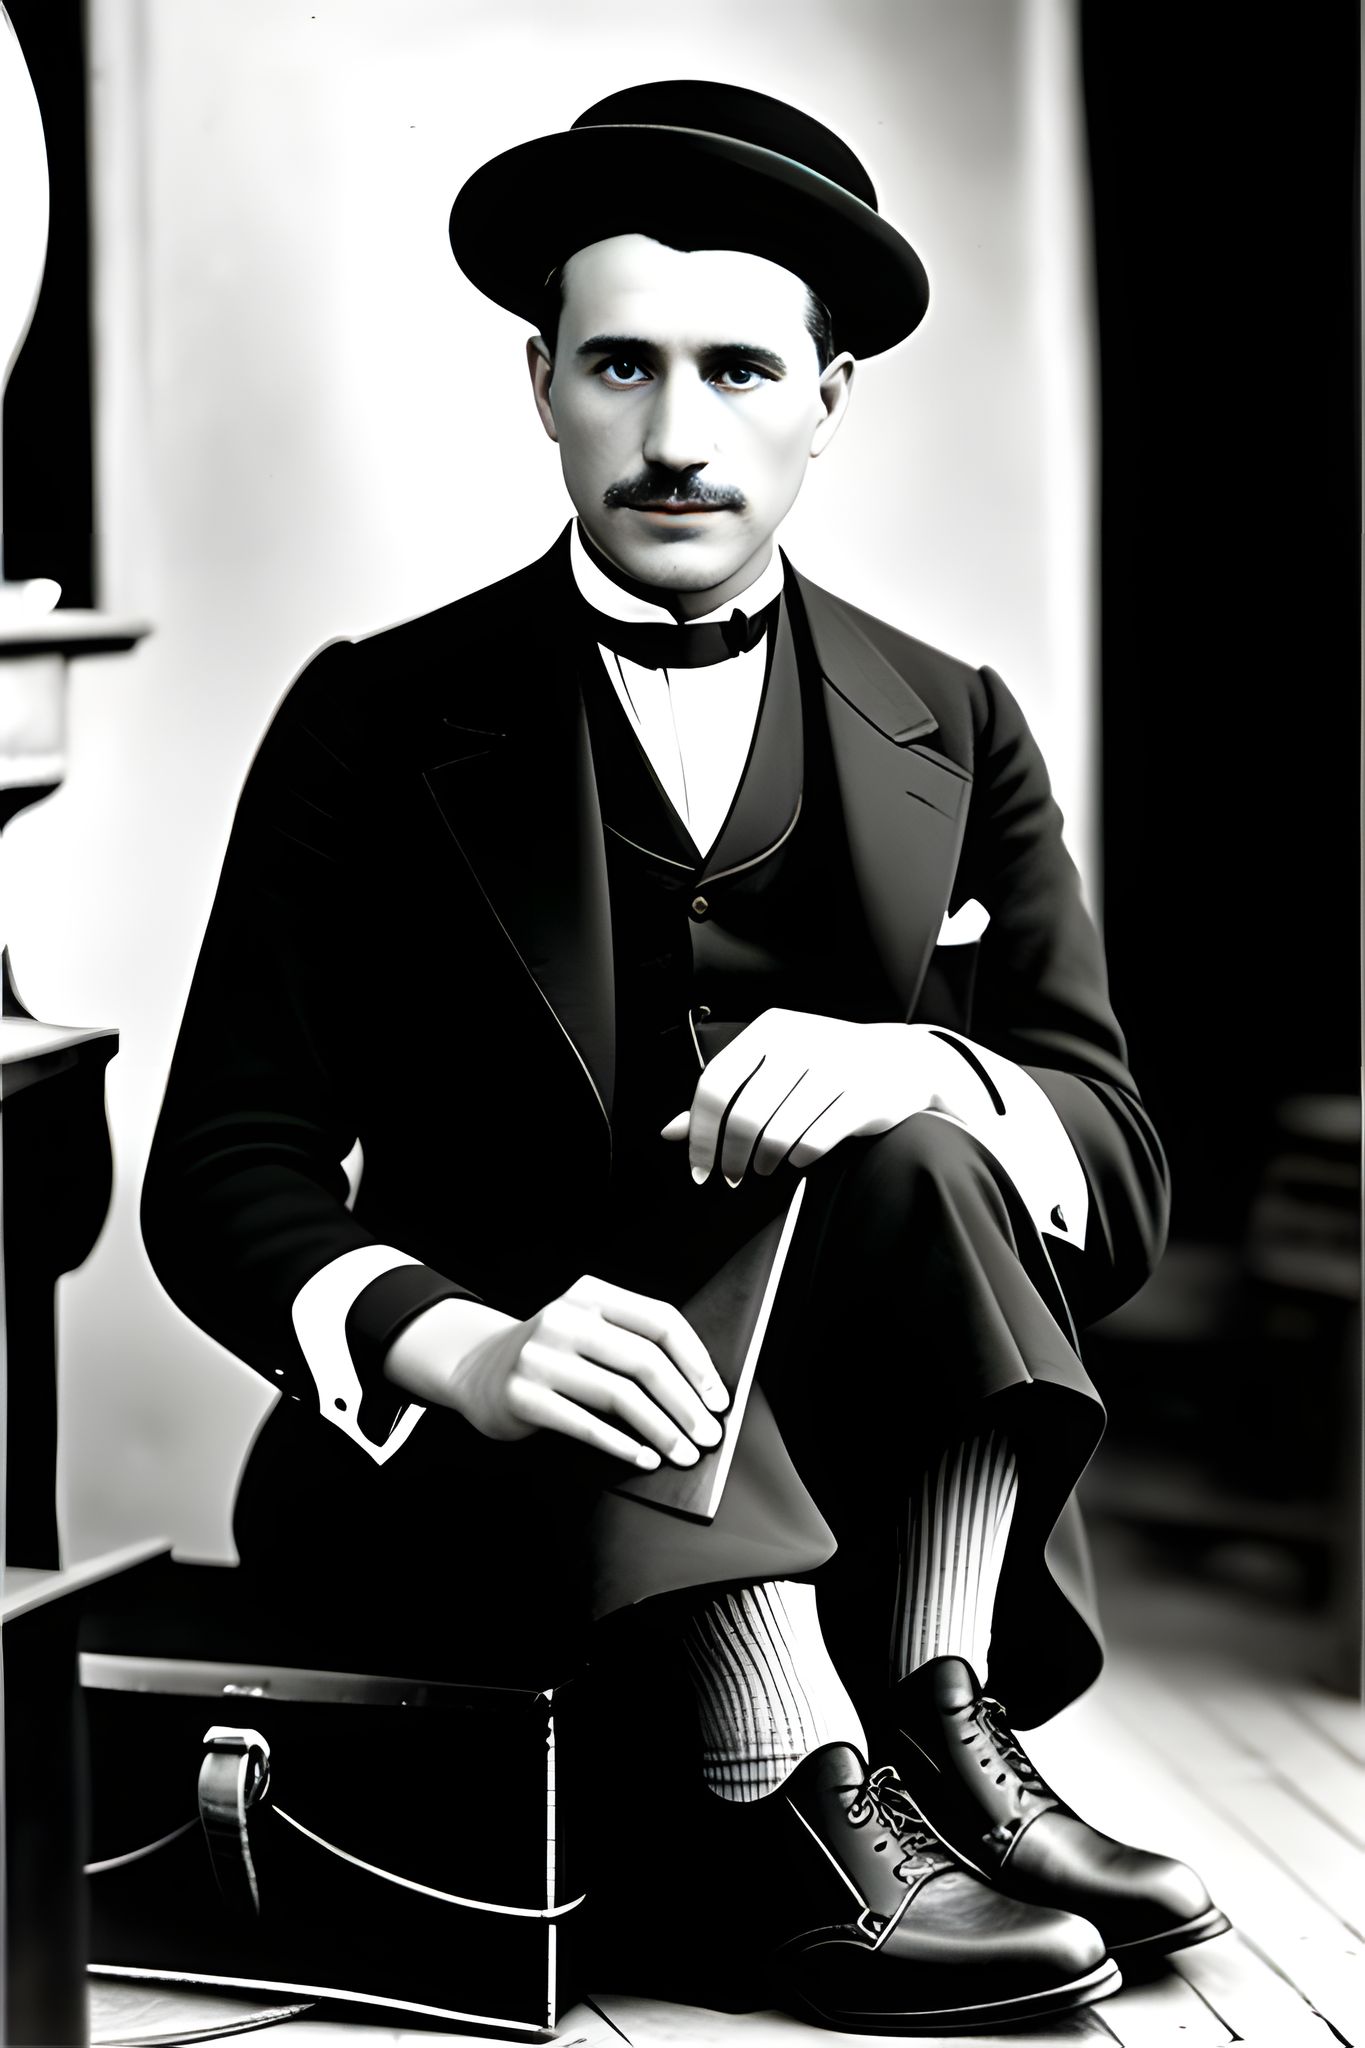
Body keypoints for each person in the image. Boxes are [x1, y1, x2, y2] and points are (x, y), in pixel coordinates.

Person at [141, 79, 1226, 2035]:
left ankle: (933, 1714)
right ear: (540, 380)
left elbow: (1117, 1165)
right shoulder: (375, 724)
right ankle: (783, 1794)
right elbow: (224, 1161)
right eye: (619, 367)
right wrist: (461, 1341)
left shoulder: (954, 723)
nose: (673, 436)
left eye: (735, 368)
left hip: (875, 1496)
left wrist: (930, 1069)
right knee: (622, 1318)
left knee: (932, 1137)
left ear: (828, 394)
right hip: (500, 1481)